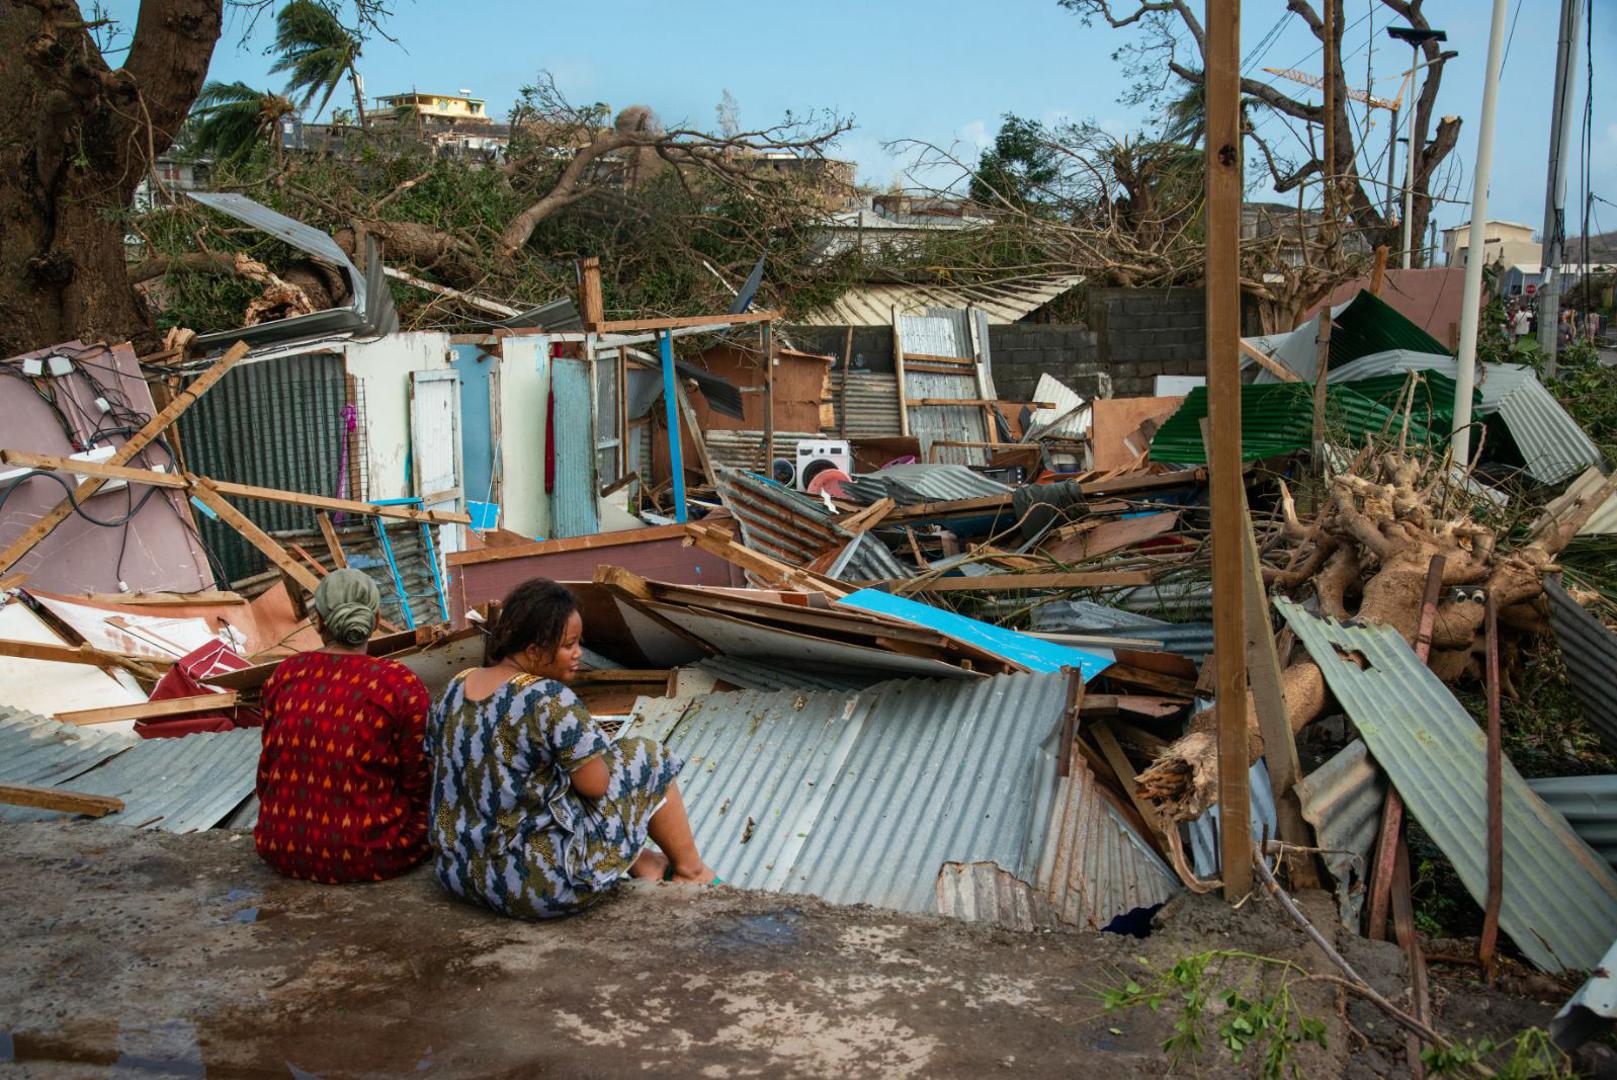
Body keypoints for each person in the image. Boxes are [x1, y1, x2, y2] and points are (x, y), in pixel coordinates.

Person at [426, 578, 712, 919]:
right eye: (568, 645)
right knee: (646, 757)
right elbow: (596, 786)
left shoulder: (453, 688)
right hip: (534, 887)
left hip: (462, 874)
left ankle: (645, 863)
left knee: (554, 785)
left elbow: (443, 770)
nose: (578, 655)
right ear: (534, 651)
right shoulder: (548, 698)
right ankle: (691, 871)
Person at [255, 569, 431, 883]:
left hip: (279, 845)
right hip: (372, 854)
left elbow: (267, 769)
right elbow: (418, 780)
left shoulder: (285, 674)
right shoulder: (398, 682)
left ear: (319, 621)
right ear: (376, 620)